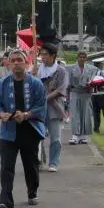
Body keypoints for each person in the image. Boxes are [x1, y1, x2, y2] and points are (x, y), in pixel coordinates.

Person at [0, 49, 47, 208]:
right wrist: (2, 114)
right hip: (8, 130)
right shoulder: (2, 84)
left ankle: (32, 191)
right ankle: (5, 200)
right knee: (6, 166)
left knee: (31, 165)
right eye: (13, 60)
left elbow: (41, 104)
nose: (16, 63)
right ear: (8, 63)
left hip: (30, 129)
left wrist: (27, 115)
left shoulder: (35, 83)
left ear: (26, 62)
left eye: (19, 60)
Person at [36, 43, 68, 172]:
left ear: (53, 56)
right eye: (41, 54)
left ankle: (54, 163)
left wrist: (45, 98)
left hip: (54, 108)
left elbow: (61, 89)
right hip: (38, 108)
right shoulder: (37, 69)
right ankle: (39, 161)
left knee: (55, 138)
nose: (42, 57)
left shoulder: (61, 70)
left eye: (45, 54)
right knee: (38, 136)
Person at [66, 51, 99, 145]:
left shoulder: (91, 68)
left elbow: (96, 78)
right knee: (75, 114)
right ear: (77, 58)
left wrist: (91, 86)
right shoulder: (70, 68)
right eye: (80, 57)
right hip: (75, 92)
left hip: (86, 93)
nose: (82, 59)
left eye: (84, 57)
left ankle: (84, 136)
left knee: (86, 114)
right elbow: (67, 84)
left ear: (86, 58)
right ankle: (75, 136)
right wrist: (67, 96)